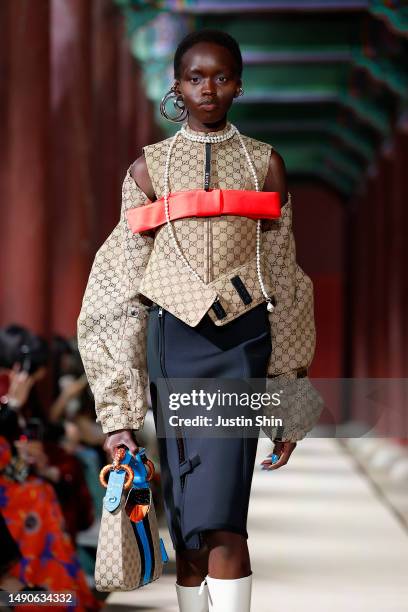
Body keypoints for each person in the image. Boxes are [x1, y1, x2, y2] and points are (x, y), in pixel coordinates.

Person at [77, 29, 321, 612]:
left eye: (220, 77)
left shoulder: (265, 166)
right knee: (187, 520)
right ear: (176, 88)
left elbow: (285, 280)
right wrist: (117, 415)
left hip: (242, 346)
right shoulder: (148, 172)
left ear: (239, 85)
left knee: (226, 520)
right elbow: (115, 289)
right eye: (194, 78)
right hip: (173, 343)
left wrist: (289, 399)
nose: (207, 89)